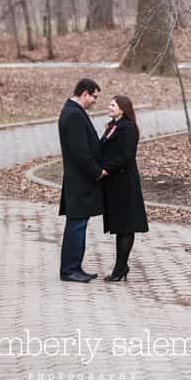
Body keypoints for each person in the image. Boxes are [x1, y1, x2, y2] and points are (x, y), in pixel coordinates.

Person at [58, 78, 106, 283]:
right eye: (94, 96)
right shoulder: (74, 115)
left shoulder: (71, 111)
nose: (95, 101)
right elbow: (80, 152)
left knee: (78, 224)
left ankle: (74, 267)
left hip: (78, 180)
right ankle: (70, 269)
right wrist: (97, 172)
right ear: (85, 93)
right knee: (76, 225)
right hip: (80, 181)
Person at [100, 95, 149, 282]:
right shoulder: (113, 126)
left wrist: (106, 169)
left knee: (126, 226)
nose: (109, 107)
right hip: (113, 183)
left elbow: (127, 156)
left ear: (123, 108)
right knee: (119, 225)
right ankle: (121, 266)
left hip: (125, 183)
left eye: (113, 105)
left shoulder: (128, 128)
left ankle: (120, 268)